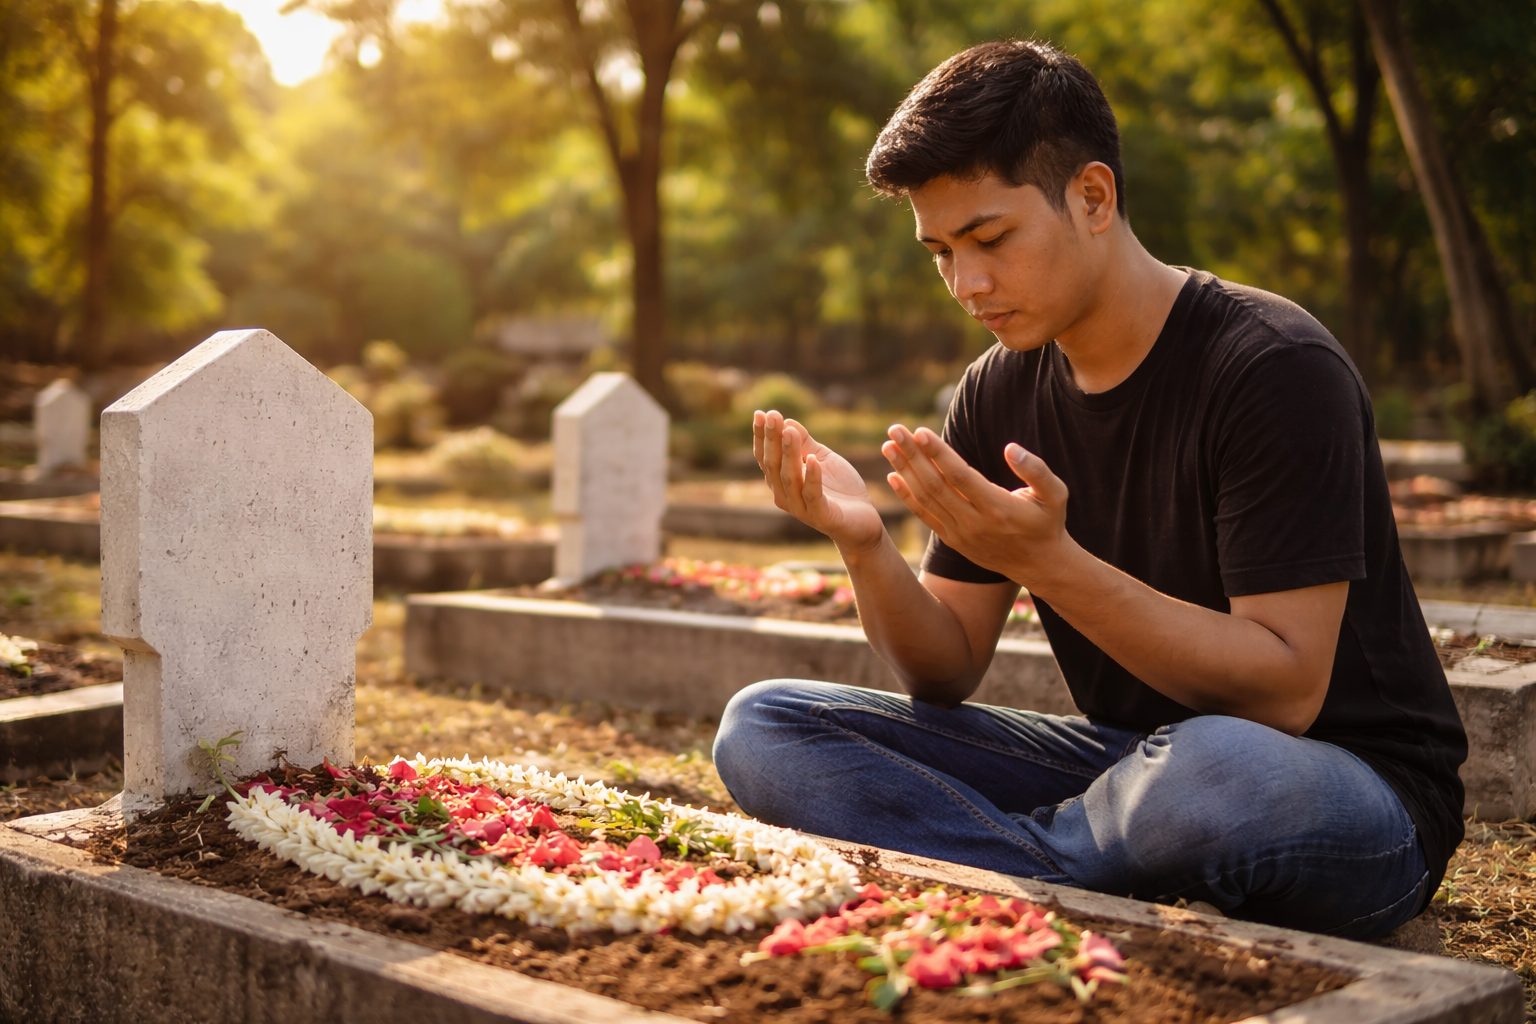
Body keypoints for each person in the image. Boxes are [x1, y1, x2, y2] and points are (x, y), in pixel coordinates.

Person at [711, 38, 1467, 940]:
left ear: (1094, 197)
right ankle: (1066, 867)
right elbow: (944, 665)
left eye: (991, 238)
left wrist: (1051, 564)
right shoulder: (995, 390)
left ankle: (1003, 866)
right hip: (1128, 772)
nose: (968, 284)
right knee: (767, 727)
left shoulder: (1272, 366)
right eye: (940, 252)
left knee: (1216, 769)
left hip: (1339, 788)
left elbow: (1284, 694)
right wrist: (864, 544)